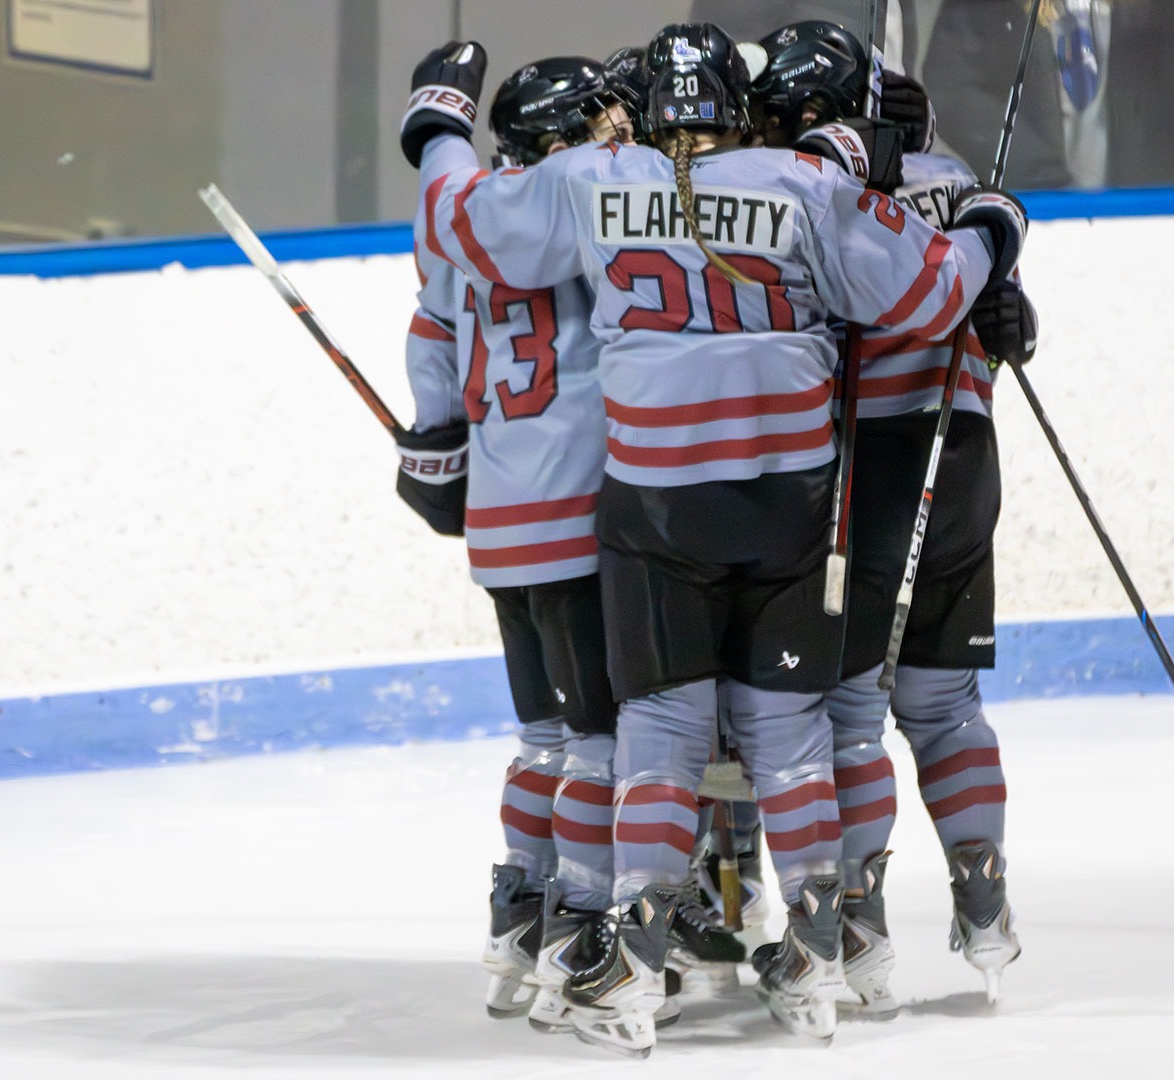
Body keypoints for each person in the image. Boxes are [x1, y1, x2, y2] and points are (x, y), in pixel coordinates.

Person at [399, 21, 1024, 1056]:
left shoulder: (600, 176)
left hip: (655, 512)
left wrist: (438, 126)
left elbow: (460, 229)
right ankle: (825, 940)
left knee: (657, 735)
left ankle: (632, 956)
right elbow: (930, 295)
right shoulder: (807, 183)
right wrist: (994, 230)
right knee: (799, 732)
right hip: (795, 511)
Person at [748, 22, 1036, 1011]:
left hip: (870, 482)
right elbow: (998, 319)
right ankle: (985, 899)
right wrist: (1005, 320)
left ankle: (859, 918)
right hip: (963, 465)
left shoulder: (808, 191)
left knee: (852, 715)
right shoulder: (953, 172)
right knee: (948, 705)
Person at [394, 55, 633, 1026]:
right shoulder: (577, 199)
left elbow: (431, 349)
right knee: (600, 741)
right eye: (601, 119)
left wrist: (436, 441)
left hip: (498, 520)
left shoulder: (459, 222)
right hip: (577, 515)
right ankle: (580, 916)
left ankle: (517, 914)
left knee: (540, 736)